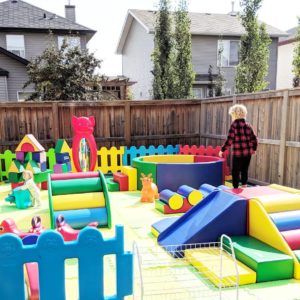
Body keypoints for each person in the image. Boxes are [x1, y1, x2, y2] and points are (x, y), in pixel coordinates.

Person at [219, 104, 258, 189]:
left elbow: (229, 140)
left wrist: (222, 150)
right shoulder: (248, 125)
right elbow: (254, 139)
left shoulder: (234, 125)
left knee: (235, 171)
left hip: (237, 153)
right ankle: (244, 185)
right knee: (244, 170)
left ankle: (235, 187)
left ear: (234, 114)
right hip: (247, 153)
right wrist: (254, 149)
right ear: (244, 114)